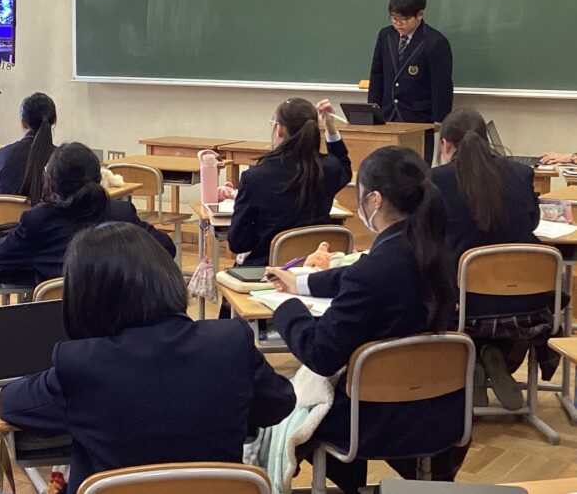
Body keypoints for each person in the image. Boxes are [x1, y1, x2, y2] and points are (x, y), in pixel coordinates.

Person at [0, 222, 295, 494]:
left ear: (85, 296)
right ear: (166, 276)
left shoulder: (81, 363)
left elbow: (11, 404)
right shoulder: (230, 341)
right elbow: (279, 403)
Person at [266, 146, 465, 492]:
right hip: (438, 410)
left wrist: (286, 309)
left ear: (374, 200)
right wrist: (303, 281)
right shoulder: (439, 254)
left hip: (373, 419)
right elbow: (358, 274)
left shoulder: (375, 270)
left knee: (290, 404)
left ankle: (350, 484)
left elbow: (321, 354)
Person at [432, 108, 552, 410]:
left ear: (445, 144)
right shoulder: (521, 174)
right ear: (486, 140)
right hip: (528, 306)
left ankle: (469, 361)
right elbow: (532, 222)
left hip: (464, 307)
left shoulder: (436, 181)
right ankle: (489, 354)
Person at [0, 142, 175, 283]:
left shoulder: (38, 221)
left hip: (55, 318)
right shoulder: (121, 214)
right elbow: (167, 247)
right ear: (99, 178)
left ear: (52, 183)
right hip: (114, 319)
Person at [227, 98, 352, 266]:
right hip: (314, 267)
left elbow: (238, 243)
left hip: (267, 271)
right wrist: (330, 127)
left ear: (280, 129)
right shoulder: (329, 169)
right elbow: (344, 168)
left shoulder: (255, 178)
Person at [368, 0, 453, 165]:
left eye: (404, 19)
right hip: (387, 117)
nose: (398, 24)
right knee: (384, 168)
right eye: (394, 18)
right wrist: (372, 110)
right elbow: (377, 74)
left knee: (416, 169)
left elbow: (441, 85)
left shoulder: (435, 42)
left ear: (419, 15)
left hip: (418, 119)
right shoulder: (385, 36)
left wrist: (439, 121)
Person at [0, 92, 57, 204]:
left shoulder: (3, 154)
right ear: (54, 120)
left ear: (23, 123)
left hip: (5, 215)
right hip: (43, 216)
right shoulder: (61, 159)